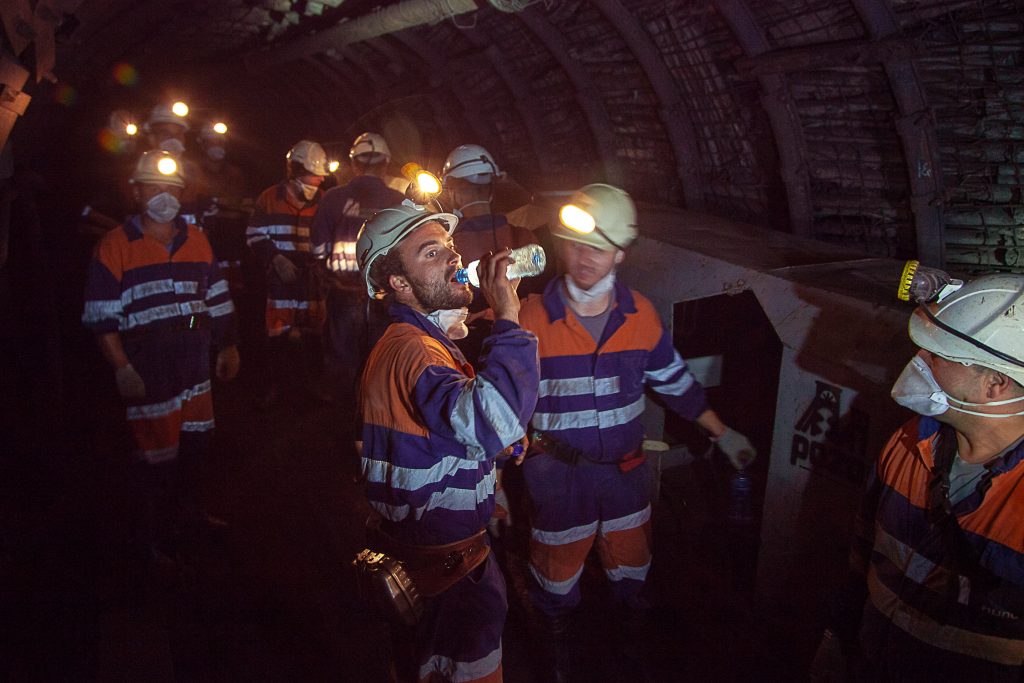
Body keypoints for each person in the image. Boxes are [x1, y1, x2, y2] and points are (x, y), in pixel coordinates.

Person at [516, 183, 755, 677]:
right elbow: (502, 408)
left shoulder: (640, 315)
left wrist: (721, 432)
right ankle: (557, 657)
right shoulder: (530, 318)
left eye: (599, 249)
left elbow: (675, 383)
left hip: (625, 477)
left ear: (621, 253)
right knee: (555, 580)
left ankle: (630, 651)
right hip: (558, 478)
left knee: (632, 568)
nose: (585, 258)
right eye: (576, 244)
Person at [356, 201, 540, 682]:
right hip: (449, 579)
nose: (454, 259)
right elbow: (492, 423)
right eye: (432, 253)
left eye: (451, 247)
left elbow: (455, 435)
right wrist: (508, 315)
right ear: (397, 282)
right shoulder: (414, 350)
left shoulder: (417, 341)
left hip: (437, 567)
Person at [813, 274, 1024, 681]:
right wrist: (836, 638)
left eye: (937, 354)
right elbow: (862, 556)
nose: (918, 363)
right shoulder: (911, 441)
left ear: (994, 383)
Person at [82, 150, 240, 561]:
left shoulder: (198, 240)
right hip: (149, 371)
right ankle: (151, 539)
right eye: (154, 187)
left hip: (194, 367)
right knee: (154, 458)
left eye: (171, 188)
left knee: (194, 450)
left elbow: (217, 298)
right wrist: (121, 368)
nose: (164, 196)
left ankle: (191, 517)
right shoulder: (115, 246)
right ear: (136, 192)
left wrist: (227, 345)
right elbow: (101, 317)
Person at [311, 138, 404, 404]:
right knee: (380, 350)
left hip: (343, 290)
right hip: (384, 295)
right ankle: (376, 407)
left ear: (353, 164)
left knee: (341, 350)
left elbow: (317, 247)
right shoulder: (398, 201)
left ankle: (340, 409)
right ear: (386, 164)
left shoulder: (333, 198)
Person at [245, 140, 328, 406]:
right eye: (310, 177)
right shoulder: (269, 198)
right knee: (278, 334)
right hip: (281, 279)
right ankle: (276, 388)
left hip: (312, 280)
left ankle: (314, 389)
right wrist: (276, 258)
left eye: (319, 178)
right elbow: (254, 233)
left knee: (313, 335)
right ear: (293, 172)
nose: (314, 184)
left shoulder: (325, 200)